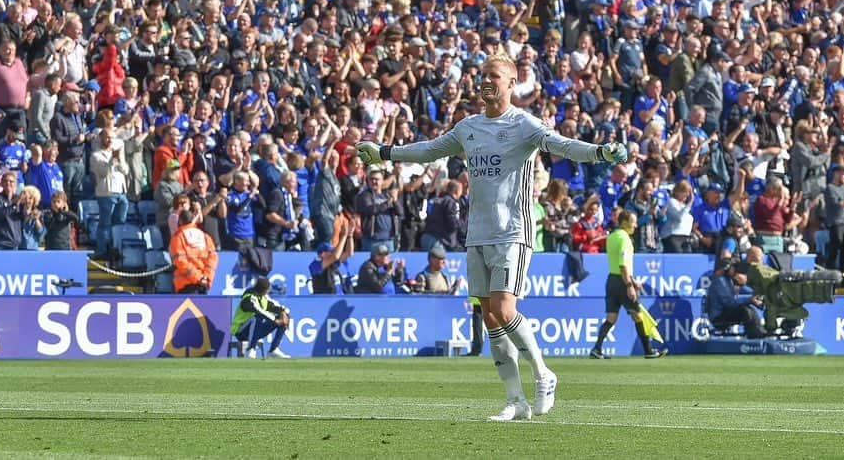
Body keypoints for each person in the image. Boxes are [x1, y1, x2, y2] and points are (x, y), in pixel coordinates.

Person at [355, 54, 628, 421]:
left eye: (494, 76)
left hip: (513, 230)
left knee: (503, 308)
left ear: (512, 83)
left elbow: (562, 145)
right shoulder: (468, 127)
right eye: (483, 75)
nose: (486, 81)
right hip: (477, 233)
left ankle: (544, 373)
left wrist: (599, 152)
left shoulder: (525, 124)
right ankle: (515, 400)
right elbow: (430, 149)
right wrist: (386, 153)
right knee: (489, 316)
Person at [589, 210, 664, 359]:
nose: (635, 225)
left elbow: (617, 263)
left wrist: (632, 280)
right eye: (633, 222)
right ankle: (648, 350)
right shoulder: (625, 239)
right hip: (622, 283)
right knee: (638, 316)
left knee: (611, 317)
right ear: (624, 222)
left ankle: (596, 349)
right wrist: (629, 285)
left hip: (612, 280)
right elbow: (623, 265)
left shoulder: (612, 237)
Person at [230, 277, 292, 359]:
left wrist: (283, 312)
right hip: (241, 331)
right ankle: (250, 349)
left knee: (285, 317)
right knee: (257, 317)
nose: (268, 291)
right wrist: (275, 320)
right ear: (263, 290)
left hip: (255, 331)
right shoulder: (248, 298)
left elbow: (274, 306)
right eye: (267, 289)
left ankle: (273, 350)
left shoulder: (263, 297)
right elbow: (259, 311)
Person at [705, 260, 767, 339]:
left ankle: (758, 332)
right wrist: (750, 299)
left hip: (726, 311)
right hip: (718, 316)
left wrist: (757, 295)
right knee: (745, 311)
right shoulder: (720, 281)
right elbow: (730, 302)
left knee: (748, 309)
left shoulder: (730, 280)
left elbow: (748, 290)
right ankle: (755, 335)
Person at [170, 207, 219, 294]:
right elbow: (213, 259)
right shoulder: (205, 236)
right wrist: (207, 278)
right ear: (193, 219)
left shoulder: (178, 237)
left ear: (180, 221)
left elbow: (180, 261)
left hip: (185, 284)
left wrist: (198, 278)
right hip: (203, 285)